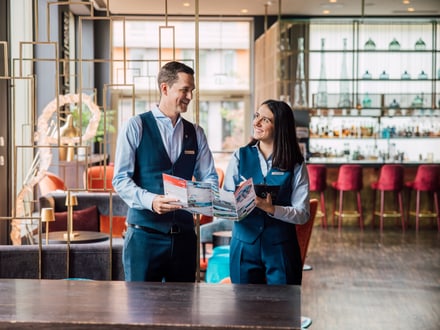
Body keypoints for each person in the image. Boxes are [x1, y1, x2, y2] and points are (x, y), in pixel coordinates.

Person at [112, 61, 218, 282]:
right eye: (185, 90)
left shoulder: (196, 132)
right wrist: (151, 201)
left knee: (183, 310)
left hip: (184, 240)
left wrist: (203, 197)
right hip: (143, 238)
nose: (190, 96)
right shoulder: (136, 126)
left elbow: (209, 177)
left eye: (192, 91)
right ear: (164, 88)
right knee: (139, 312)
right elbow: (121, 179)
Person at [223, 99, 310, 285]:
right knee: (244, 308)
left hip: (281, 247)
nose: (256, 123)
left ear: (280, 127)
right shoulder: (240, 156)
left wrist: (272, 209)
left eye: (265, 120)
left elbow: (302, 214)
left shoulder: (295, 164)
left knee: (283, 309)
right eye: (256, 116)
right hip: (244, 246)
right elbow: (226, 199)